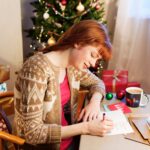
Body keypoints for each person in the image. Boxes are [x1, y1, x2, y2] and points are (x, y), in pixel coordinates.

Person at [14, 20, 113, 150]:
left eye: (97, 59)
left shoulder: (72, 67)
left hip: (70, 141)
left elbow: (97, 82)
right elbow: (33, 133)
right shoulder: (36, 70)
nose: (94, 63)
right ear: (78, 42)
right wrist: (86, 127)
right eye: (93, 55)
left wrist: (94, 101)